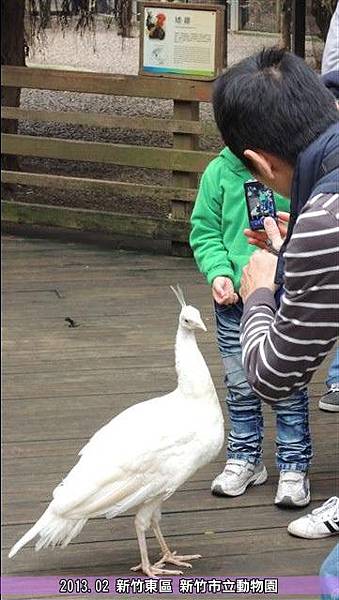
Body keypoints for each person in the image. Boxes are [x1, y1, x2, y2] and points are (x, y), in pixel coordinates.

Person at [212, 46, 339, 596]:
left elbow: (273, 374)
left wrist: (263, 287)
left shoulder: (326, 223)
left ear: (260, 164)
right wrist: (296, 250)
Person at [189, 150, 312, 506]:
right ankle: (245, 458)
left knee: (287, 382)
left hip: (283, 294)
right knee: (239, 383)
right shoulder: (219, 172)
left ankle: (293, 464)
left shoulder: (292, 168)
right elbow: (206, 231)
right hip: (234, 301)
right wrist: (219, 273)